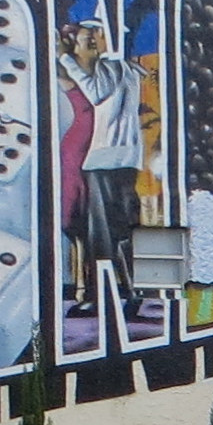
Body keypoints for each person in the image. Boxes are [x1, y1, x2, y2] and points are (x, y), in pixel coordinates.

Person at [57, 20, 147, 317]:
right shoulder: (131, 70)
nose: (95, 39)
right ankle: (133, 291)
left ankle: (100, 298)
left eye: (98, 33)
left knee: (101, 237)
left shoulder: (110, 68)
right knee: (123, 230)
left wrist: (65, 58)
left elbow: (96, 93)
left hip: (103, 161)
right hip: (127, 159)